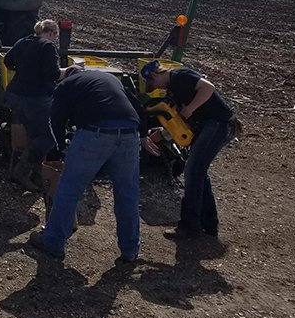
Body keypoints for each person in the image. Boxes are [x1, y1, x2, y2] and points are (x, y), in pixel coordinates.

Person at [28, 69, 161, 264]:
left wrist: (59, 148)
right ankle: (130, 249)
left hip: (96, 133)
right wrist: (142, 135)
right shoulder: (109, 79)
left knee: (69, 188)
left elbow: (55, 120)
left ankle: (53, 241)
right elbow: (137, 106)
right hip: (129, 133)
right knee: (127, 193)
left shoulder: (65, 85)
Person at [141, 61, 237, 240]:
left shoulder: (181, 76)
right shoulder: (173, 89)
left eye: (152, 85)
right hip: (209, 125)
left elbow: (207, 88)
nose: (156, 89)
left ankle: (189, 226)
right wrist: (163, 134)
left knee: (193, 171)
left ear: (153, 76)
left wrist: (191, 109)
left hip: (218, 123)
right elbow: (180, 118)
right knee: (198, 173)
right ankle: (209, 224)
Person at [3, 20, 69, 192]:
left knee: (35, 135)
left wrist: (26, 69)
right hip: (35, 97)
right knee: (48, 138)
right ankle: (21, 172)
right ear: (53, 33)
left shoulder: (23, 41)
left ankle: (34, 173)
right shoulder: (47, 46)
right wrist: (72, 70)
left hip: (15, 94)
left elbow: (8, 61)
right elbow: (54, 74)